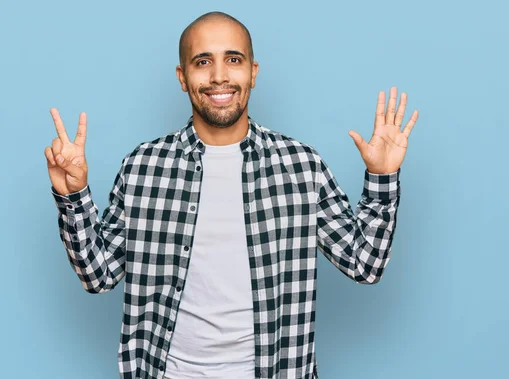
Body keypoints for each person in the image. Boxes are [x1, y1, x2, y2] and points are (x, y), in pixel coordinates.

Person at [44, 11, 419, 379]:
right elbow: (98, 274)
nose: (219, 76)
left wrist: (382, 178)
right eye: (203, 61)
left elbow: (365, 264)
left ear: (253, 72)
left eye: (233, 60)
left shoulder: (301, 165)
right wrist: (73, 197)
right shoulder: (142, 166)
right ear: (182, 77)